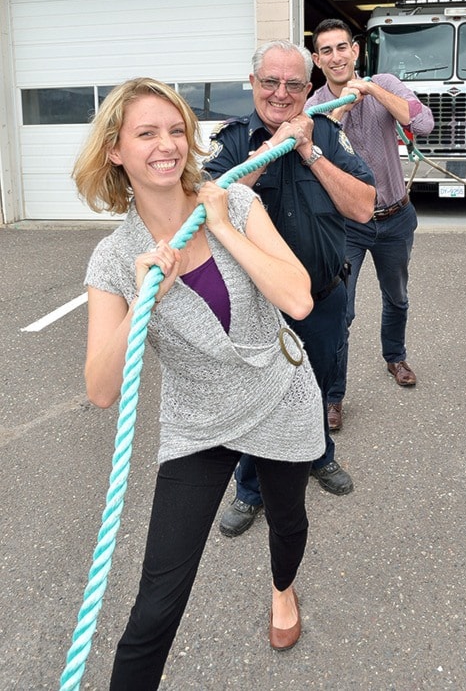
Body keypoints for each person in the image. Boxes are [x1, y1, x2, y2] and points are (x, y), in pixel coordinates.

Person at [72, 77, 327, 688]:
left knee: (288, 521)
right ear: (115, 150)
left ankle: (283, 591)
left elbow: (298, 299)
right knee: (157, 601)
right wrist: (141, 298)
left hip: (278, 390)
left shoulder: (235, 204)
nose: (168, 145)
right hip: (200, 420)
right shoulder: (113, 260)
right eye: (146, 133)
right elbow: (101, 389)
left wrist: (223, 227)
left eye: (176, 129)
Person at [203, 40, 376, 537]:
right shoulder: (233, 140)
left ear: (308, 87)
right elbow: (209, 206)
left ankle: (320, 457)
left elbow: (364, 206)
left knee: (317, 388)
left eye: (294, 84)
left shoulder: (326, 133)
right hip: (257, 312)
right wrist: (270, 148)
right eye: (271, 82)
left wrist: (308, 150)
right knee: (261, 402)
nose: (281, 93)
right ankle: (251, 489)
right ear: (253, 83)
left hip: (323, 299)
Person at [306, 19, 434, 431]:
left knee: (396, 296)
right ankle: (333, 397)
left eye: (342, 47)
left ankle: (394, 357)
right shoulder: (313, 106)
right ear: (316, 60)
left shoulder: (385, 82)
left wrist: (372, 90)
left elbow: (423, 123)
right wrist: (341, 106)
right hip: (346, 227)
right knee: (340, 311)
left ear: (356, 51)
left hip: (395, 217)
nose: (336, 56)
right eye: (326, 51)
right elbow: (316, 151)